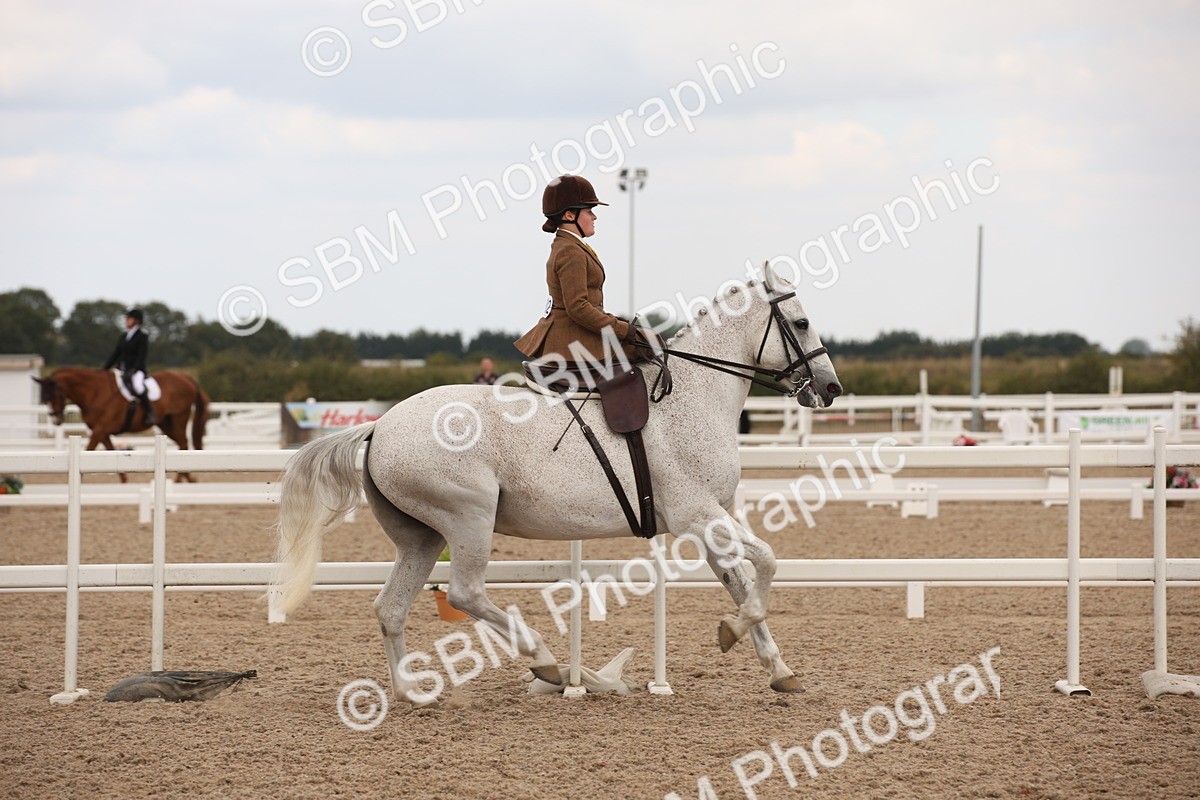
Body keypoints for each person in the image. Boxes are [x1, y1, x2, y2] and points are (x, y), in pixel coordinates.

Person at [514, 174, 641, 388]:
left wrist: (614, 321)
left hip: (576, 331)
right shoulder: (570, 251)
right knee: (647, 345)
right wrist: (620, 329)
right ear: (570, 215)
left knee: (645, 340)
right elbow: (578, 307)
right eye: (590, 211)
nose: (594, 217)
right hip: (572, 338)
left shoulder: (570, 245)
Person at [103, 307, 156, 426]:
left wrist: (134, 369)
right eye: (126, 318)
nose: (126, 321)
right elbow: (116, 354)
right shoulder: (124, 336)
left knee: (138, 387)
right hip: (121, 369)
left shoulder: (142, 336)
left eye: (128, 318)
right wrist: (104, 369)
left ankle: (150, 413)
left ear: (136, 321)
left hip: (136, 370)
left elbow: (141, 356)